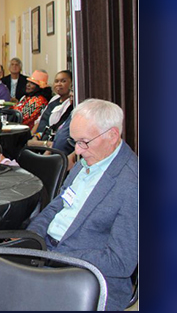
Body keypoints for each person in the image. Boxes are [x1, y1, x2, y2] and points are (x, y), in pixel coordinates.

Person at [26, 99, 137, 310]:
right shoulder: (88, 160)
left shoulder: (133, 184)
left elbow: (120, 262)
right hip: (48, 255)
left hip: (86, 277)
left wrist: (55, 256)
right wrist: (33, 238)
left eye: (84, 141)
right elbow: (57, 206)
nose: (77, 150)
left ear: (112, 135)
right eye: (74, 141)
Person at [30, 70, 75, 144]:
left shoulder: (70, 103)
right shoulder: (54, 99)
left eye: (63, 81)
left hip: (52, 143)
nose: (59, 84)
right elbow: (41, 120)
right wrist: (34, 137)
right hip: (40, 138)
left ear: (71, 84)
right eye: (56, 81)